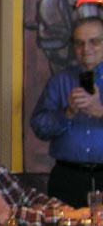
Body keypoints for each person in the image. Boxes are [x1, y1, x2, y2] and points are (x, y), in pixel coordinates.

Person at [31, 16, 103, 208]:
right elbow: (39, 126)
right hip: (68, 177)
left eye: (94, 42)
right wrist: (67, 113)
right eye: (79, 43)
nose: (86, 49)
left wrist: (99, 111)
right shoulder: (60, 81)